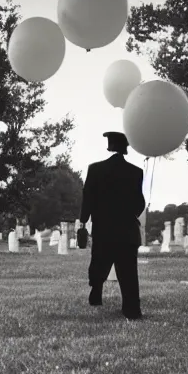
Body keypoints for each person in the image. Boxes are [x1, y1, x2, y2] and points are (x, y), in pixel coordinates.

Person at [79, 131, 146, 320]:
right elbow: (138, 204)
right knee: (128, 272)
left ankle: (96, 292)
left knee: (99, 262)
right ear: (126, 148)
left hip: (104, 228)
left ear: (109, 146)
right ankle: (131, 309)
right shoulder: (136, 172)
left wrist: (84, 219)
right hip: (127, 230)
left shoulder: (95, 169)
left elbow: (88, 198)